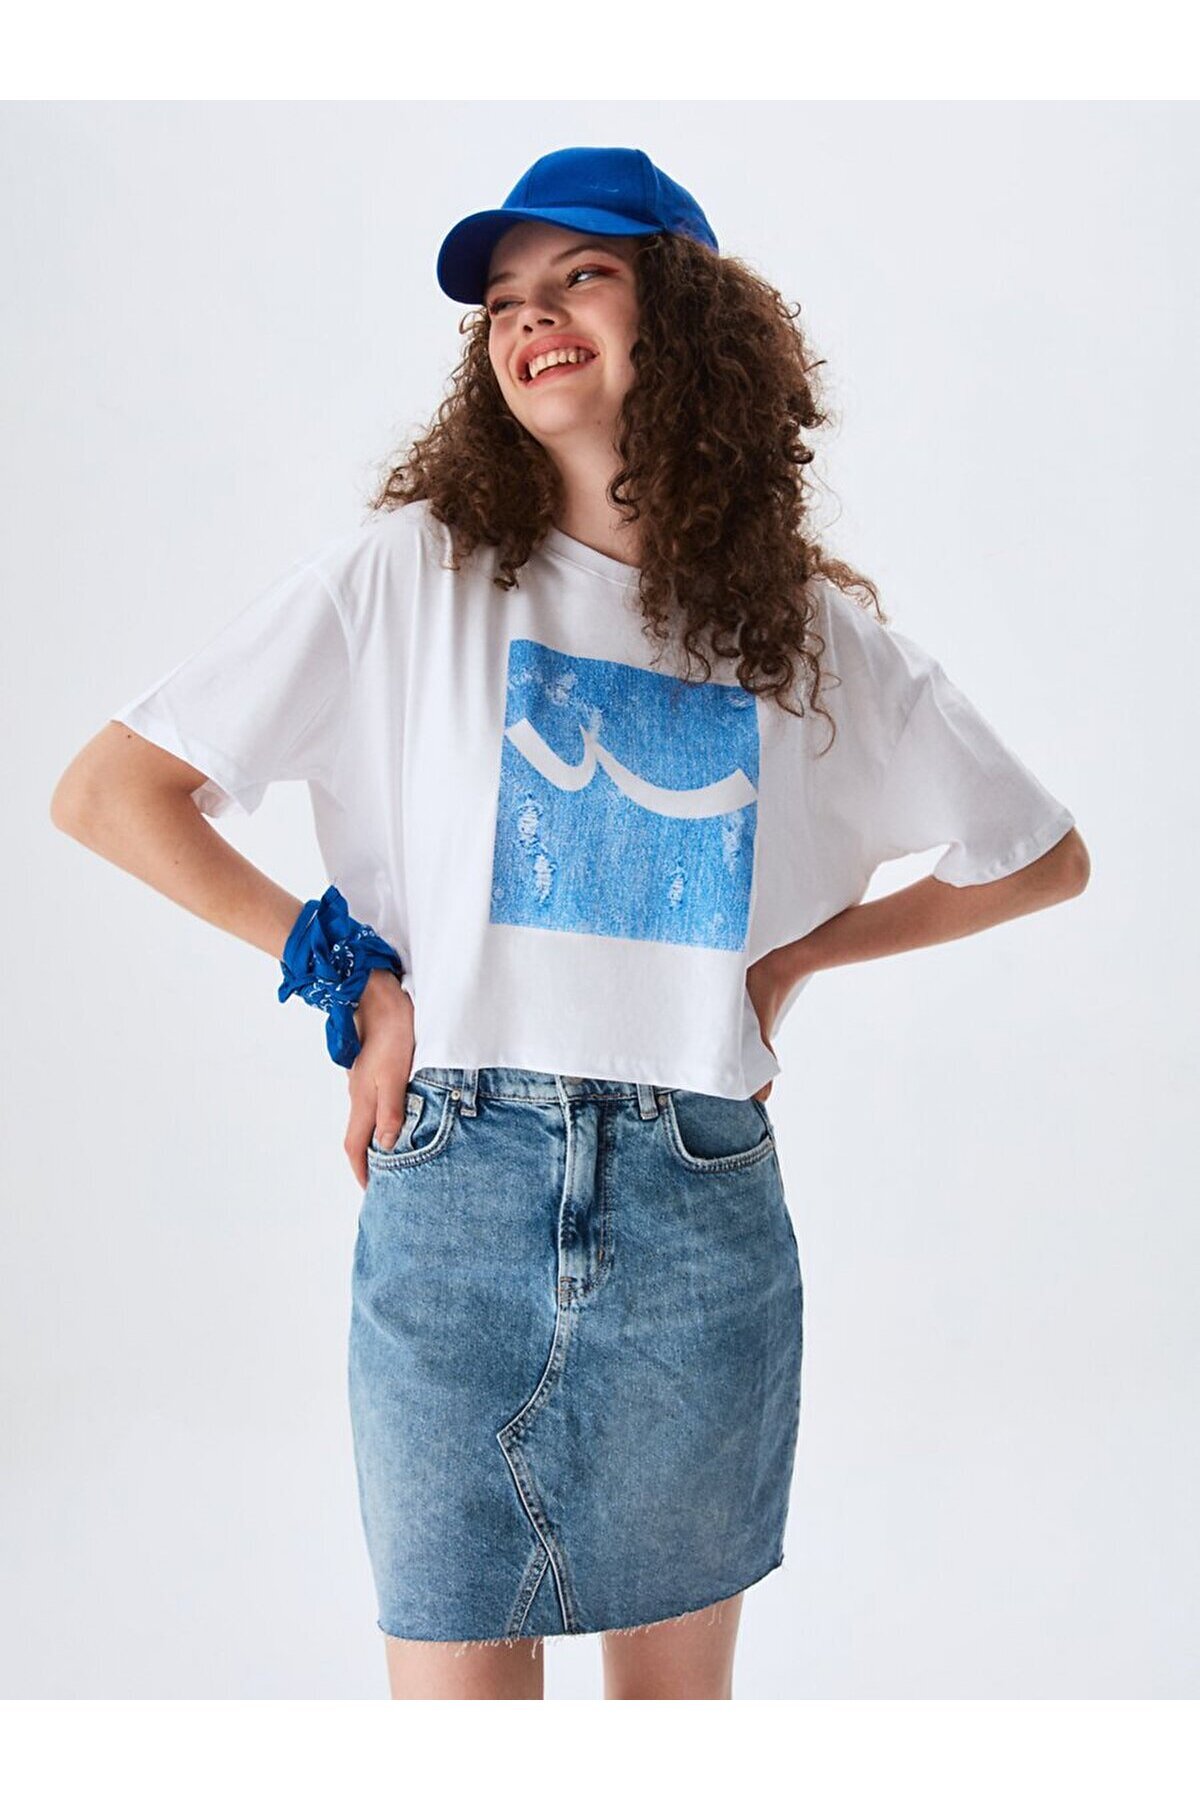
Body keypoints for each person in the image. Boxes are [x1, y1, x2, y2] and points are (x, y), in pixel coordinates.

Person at [49, 145, 1089, 1701]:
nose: (531, 318)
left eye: (580, 277)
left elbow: (1039, 856)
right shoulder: (411, 577)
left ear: (683, 314)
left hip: (697, 1208)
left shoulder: (805, 636)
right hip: (456, 1196)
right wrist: (351, 977)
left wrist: (801, 954)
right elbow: (113, 792)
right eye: (503, 302)